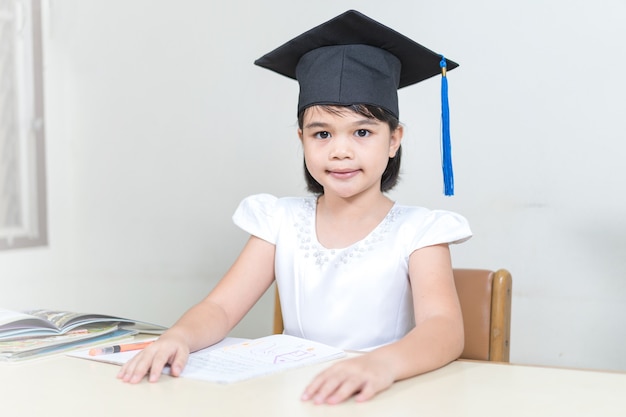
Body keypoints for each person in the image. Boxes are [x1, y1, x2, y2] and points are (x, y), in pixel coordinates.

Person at [117, 10, 472, 405]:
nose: (340, 150)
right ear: (301, 138)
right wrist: (178, 336)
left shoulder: (420, 231)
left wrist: (380, 365)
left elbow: (443, 328)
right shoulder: (279, 221)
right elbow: (219, 307)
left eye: (363, 132)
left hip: (381, 391)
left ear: (393, 141)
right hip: (297, 395)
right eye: (322, 133)